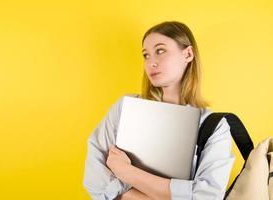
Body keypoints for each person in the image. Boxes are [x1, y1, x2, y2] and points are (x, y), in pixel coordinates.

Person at [83, 21, 236, 200]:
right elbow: (94, 180)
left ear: (188, 54)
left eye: (160, 51)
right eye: (146, 55)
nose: (151, 63)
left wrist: (124, 171)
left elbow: (206, 196)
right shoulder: (125, 108)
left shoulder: (214, 126)